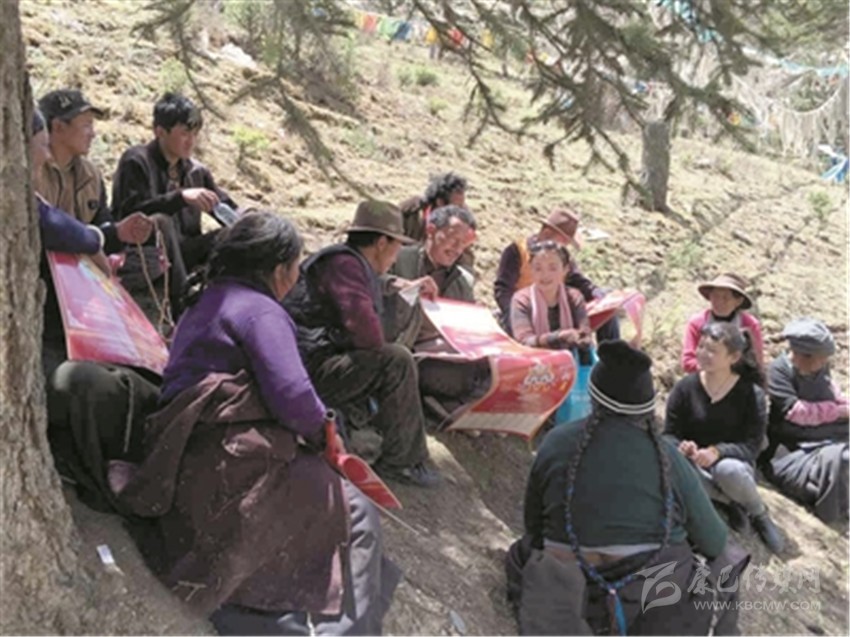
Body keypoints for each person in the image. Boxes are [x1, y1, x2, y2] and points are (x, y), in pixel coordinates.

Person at [114, 212, 399, 635]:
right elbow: (294, 397)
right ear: (278, 269)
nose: (298, 276)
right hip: (228, 461)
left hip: (183, 458)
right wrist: (328, 435)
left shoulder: (205, 299)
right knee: (356, 512)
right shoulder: (261, 312)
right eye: (296, 265)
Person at [506, 340, 744, 635]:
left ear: (593, 396)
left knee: (524, 554)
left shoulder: (555, 442)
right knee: (722, 562)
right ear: (647, 408)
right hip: (652, 593)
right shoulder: (668, 457)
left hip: (569, 584)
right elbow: (714, 541)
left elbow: (534, 528)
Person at [31, 107, 159, 513]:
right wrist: (94, 240)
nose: (92, 133)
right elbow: (48, 221)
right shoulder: (28, 176)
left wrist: (113, 237)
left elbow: (102, 228)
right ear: (57, 128)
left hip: (83, 271)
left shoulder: (88, 174)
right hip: (52, 277)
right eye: (84, 125)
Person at [284, 200, 441, 487]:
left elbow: (373, 285)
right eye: (396, 245)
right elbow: (368, 338)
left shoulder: (348, 264)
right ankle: (403, 462)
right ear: (381, 243)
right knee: (396, 359)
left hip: (310, 363)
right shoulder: (346, 266)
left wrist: (397, 284)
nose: (396, 255)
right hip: (307, 370)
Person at [111, 92, 237, 313]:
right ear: (160, 131)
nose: (191, 141)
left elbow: (222, 206)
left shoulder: (196, 171)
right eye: (185, 133)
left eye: (195, 133)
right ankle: (181, 301)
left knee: (234, 233)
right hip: (143, 252)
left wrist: (247, 219)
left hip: (186, 250)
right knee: (161, 221)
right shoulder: (136, 160)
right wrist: (180, 198)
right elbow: (131, 212)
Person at [665, 322, 783, 553]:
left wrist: (717, 452)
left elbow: (752, 446)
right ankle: (730, 502)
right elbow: (669, 434)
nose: (702, 354)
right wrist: (683, 447)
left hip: (733, 466)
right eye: (701, 347)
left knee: (727, 470)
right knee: (671, 466)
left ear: (734, 357)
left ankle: (758, 512)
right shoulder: (685, 388)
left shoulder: (751, 394)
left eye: (712, 350)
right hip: (695, 466)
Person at [385, 204, 485, 429]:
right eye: (453, 238)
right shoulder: (398, 259)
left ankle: (450, 407)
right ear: (431, 230)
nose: (457, 248)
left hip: (443, 354)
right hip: (403, 352)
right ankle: (443, 407)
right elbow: (375, 292)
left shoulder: (461, 281)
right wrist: (408, 288)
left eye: (463, 243)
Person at [760, 318, 848, 524]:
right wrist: (838, 412)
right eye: (820, 359)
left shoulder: (819, 368)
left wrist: (843, 404)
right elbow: (796, 412)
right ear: (802, 354)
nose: (823, 364)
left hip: (826, 433)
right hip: (793, 448)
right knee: (843, 460)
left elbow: (831, 391)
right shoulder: (779, 371)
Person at [494, 207, 619, 341]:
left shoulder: (561, 255)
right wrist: (515, 315)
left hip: (556, 310)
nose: (565, 246)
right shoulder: (516, 251)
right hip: (525, 312)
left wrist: (595, 293)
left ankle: (610, 350)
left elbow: (577, 281)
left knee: (607, 307)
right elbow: (503, 290)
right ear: (547, 233)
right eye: (563, 241)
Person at [509, 240, 592, 351]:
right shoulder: (521, 300)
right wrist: (558, 337)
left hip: (570, 358)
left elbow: (585, 332)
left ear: (565, 270)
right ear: (531, 269)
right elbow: (524, 340)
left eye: (552, 268)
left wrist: (582, 339)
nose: (545, 275)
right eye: (538, 268)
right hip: (534, 359)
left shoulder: (574, 297)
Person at [681, 273, 764, 374]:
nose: (719, 301)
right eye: (715, 296)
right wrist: (712, 369)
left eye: (725, 298)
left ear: (738, 301)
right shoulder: (696, 323)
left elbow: (757, 362)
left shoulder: (750, 324)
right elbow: (687, 361)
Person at [398, 172, 467, 244]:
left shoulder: (461, 222)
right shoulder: (409, 215)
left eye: (461, 206)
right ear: (440, 202)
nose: (460, 211)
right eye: (456, 207)